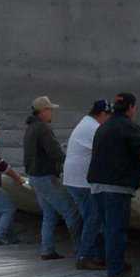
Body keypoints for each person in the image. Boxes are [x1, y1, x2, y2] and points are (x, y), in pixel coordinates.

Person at [87, 92, 140, 277]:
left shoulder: (103, 127)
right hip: (116, 188)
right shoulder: (129, 127)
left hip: (97, 186)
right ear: (131, 108)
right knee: (116, 230)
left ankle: (110, 263)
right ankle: (115, 271)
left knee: (106, 227)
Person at [24, 95, 82, 261]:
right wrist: (68, 162)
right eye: (50, 110)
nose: (52, 114)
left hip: (35, 177)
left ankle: (47, 250)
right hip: (45, 177)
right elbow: (55, 153)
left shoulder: (30, 128)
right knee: (71, 212)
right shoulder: (43, 128)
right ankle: (81, 252)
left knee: (49, 215)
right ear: (43, 111)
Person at [64, 100, 112, 270]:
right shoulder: (92, 128)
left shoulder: (86, 123)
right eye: (108, 116)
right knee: (94, 219)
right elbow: (106, 152)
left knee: (92, 219)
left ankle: (97, 255)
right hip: (81, 182)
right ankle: (84, 256)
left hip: (75, 180)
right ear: (102, 114)